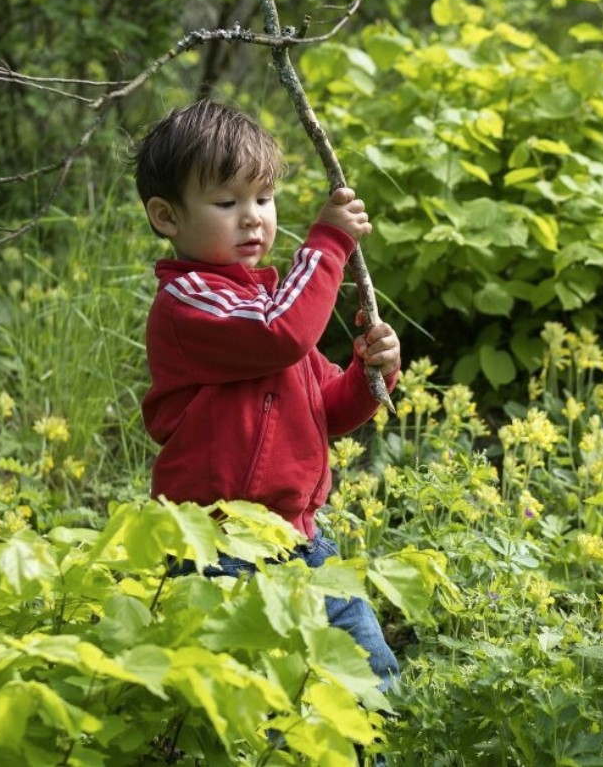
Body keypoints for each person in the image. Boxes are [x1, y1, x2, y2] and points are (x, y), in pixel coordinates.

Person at [132, 99, 402, 692]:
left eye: (263, 198)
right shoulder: (192, 302)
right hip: (218, 544)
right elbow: (280, 334)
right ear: (167, 216)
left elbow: (328, 411)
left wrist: (368, 372)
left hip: (300, 538)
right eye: (227, 203)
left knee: (368, 672)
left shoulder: (267, 305)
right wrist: (327, 244)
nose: (252, 218)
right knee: (243, 691)